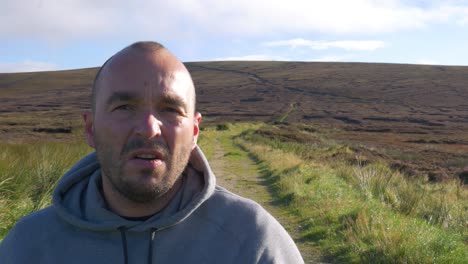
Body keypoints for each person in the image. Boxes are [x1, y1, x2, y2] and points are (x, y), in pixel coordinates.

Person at [0, 41, 304, 263]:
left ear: (195, 131)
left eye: (171, 109)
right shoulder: (28, 247)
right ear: (90, 128)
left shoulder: (253, 241)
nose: (148, 128)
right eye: (124, 107)